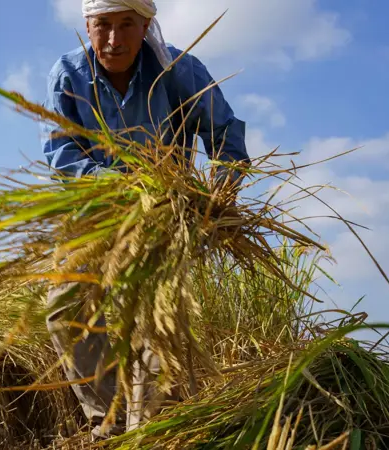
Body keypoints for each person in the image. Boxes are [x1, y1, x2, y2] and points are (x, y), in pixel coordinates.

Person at [39, 0, 250, 439]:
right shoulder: (69, 75)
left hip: (162, 216)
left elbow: (226, 134)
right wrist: (112, 181)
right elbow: (60, 152)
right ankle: (107, 418)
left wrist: (218, 193)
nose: (113, 40)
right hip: (96, 212)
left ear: (146, 25)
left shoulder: (179, 71)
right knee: (65, 307)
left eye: (126, 25)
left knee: (154, 321)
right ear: (87, 26)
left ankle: (152, 430)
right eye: (102, 26)